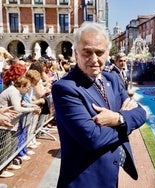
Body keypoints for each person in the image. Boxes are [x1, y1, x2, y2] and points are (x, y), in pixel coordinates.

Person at [51, 22, 147, 188]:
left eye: (99, 52)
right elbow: (93, 138)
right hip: (85, 180)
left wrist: (118, 118)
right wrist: (126, 120)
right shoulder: (65, 88)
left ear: (107, 53)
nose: (94, 59)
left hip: (111, 176)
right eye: (87, 52)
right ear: (76, 53)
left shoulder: (112, 79)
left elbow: (141, 113)